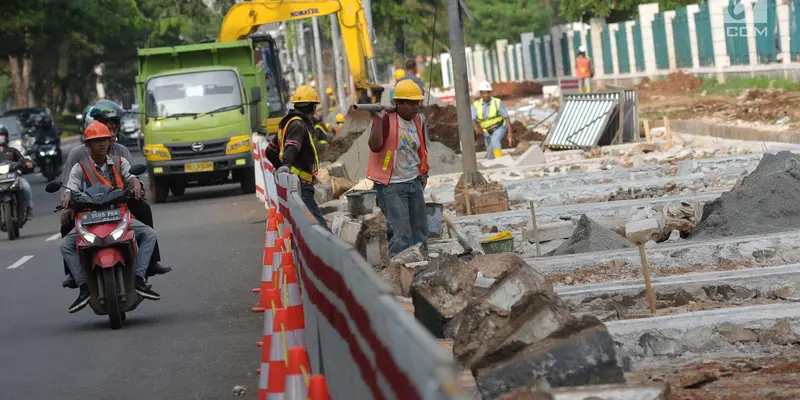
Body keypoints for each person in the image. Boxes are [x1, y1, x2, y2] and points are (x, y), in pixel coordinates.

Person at [61, 100, 170, 289]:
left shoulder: (121, 153)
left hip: (118, 205)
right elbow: (68, 186)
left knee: (144, 210)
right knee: (65, 226)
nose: (109, 135)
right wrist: (67, 204)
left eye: (113, 128)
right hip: (87, 209)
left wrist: (136, 187)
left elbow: (132, 176)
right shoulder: (77, 156)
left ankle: (150, 261)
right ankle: (73, 272)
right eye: (105, 129)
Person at [367, 80, 429, 257]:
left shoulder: (418, 120)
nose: (416, 107)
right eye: (411, 103)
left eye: (417, 102)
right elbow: (375, 145)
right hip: (391, 185)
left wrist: (423, 174)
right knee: (402, 235)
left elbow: (421, 149)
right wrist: (378, 121)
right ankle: (399, 275)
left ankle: (422, 271)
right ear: (398, 103)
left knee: (420, 232)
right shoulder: (386, 119)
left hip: (413, 182)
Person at [269, 86, 329, 229]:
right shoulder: (298, 125)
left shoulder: (288, 123)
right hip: (301, 185)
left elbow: (270, 150)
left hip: (295, 184)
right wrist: (285, 166)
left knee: (305, 226)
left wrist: (280, 167)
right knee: (319, 228)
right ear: (312, 107)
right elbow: (293, 146)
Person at [471, 81, 513, 160]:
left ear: (490, 92)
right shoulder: (476, 105)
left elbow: (506, 117)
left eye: (488, 93)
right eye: (484, 93)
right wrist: (476, 128)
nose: (486, 95)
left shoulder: (497, 102)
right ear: (480, 93)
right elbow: (472, 119)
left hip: (499, 127)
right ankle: (493, 163)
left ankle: (500, 161)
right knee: (490, 152)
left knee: (495, 140)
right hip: (486, 131)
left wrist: (510, 132)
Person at [0, 125, 34, 216]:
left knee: (25, 186)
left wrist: (27, 162)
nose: (1, 137)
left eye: (2, 134)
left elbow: (22, 159)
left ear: (6, 136)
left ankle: (29, 208)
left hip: (13, 177)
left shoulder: (12, 149)